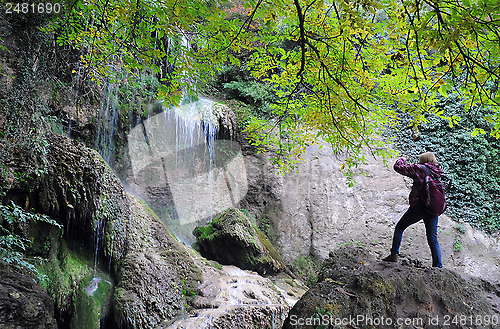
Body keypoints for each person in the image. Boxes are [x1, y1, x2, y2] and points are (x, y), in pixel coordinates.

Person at [382, 152, 443, 268]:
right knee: (433, 238)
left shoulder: (419, 168)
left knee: (400, 227)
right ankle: (438, 265)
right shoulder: (437, 171)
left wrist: (403, 159)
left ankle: (394, 254)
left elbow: (398, 167)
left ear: (423, 160)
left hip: (420, 206)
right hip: (433, 208)